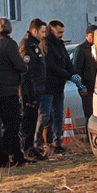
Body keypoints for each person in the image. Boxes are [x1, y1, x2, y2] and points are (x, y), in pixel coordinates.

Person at [0, 17, 29, 168]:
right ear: (10, 29)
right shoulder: (8, 43)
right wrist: (25, 66)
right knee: (13, 124)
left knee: (9, 122)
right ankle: (2, 158)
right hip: (8, 88)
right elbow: (19, 65)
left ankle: (17, 156)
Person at [38, 20, 74, 154]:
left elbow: (67, 62)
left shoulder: (60, 44)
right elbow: (50, 65)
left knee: (58, 116)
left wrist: (74, 74)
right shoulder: (45, 44)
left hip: (59, 87)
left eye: (62, 32)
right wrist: (67, 74)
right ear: (52, 30)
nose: (61, 34)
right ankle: (38, 143)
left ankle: (56, 143)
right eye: (59, 32)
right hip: (47, 87)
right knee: (45, 116)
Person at [20, 19, 48, 160]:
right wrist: (30, 93)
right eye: (42, 32)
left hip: (36, 89)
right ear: (34, 31)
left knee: (33, 120)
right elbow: (26, 72)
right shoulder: (26, 46)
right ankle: (27, 150)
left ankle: (30, 148)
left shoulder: (34, 45)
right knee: (28, 122)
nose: (44, 35)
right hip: (29, 92)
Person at [72, 24, 97, 115]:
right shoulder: (81, 49)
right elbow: (77, 69)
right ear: (87, 36)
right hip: (87, 87)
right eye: (92, 36)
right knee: (89, 112)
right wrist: (81, 86)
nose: (94, 39)